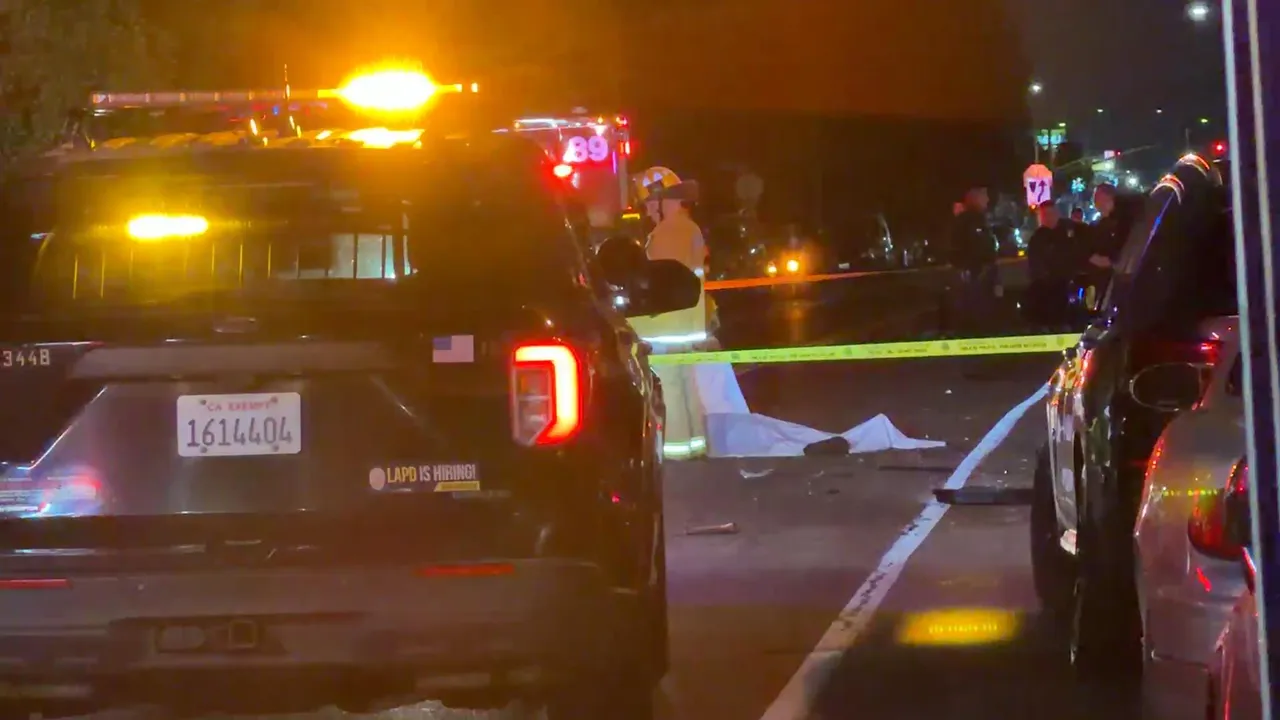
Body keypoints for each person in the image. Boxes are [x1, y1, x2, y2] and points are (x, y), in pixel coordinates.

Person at [628, 166, 709, 460]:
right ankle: (695, 445)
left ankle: (675, 453)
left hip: (666, 328)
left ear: (664, 200)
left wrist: (628, 316)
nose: (648, 210)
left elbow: (656, 286)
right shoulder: (688, 228)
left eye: (651, 203)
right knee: (686, 385)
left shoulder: (668, 232)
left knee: (671, 389)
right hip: (683, 327)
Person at [945, 185, 999, 336]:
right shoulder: (969, 222)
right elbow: (966, 248)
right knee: (976, 317)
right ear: (976, 198)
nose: (987, 200)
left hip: (981, 277)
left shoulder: (978, 220)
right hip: (975, 278)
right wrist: (975, 269)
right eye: (984, 196)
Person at [1026, 201, 1084, 329]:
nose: (1048, 217)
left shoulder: (1068, 231)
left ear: (1057, 214)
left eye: (1051, 213)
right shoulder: (1037, 239)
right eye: (1044, 214)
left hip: (1070, 284)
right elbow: (1035, 265)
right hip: (1048, 289)